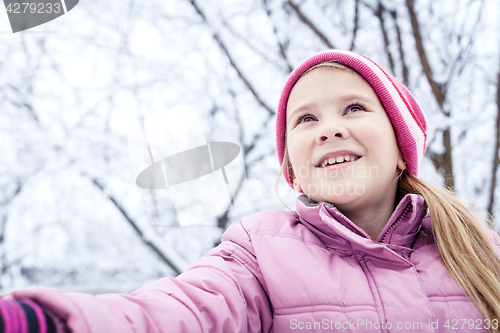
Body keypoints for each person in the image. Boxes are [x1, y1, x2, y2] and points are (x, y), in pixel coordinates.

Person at [2, 49, 500, 333]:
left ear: (400, 150)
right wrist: (50, 323)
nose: (328, 129)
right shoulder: (260, 253)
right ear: (295, 173)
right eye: (306, 119)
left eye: (353, 109)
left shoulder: (479, 255)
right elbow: (181, 313)